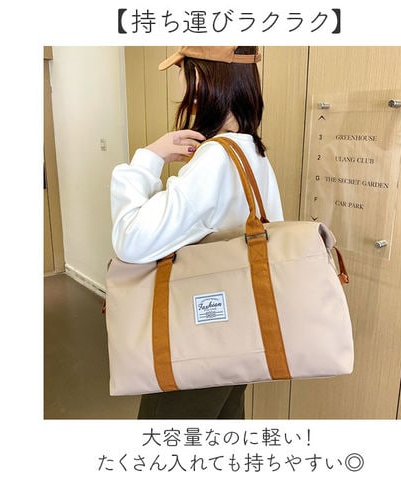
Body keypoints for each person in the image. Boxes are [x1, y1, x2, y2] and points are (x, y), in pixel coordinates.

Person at [110, 46, 284, 419]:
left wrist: (147, 160)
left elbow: (131, 240)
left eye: (181, 69)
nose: (177, 81)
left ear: (200, 77)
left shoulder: (216, 159)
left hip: (198, 341)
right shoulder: (252, 150)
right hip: (239, 333)